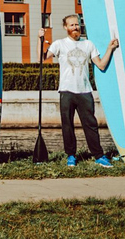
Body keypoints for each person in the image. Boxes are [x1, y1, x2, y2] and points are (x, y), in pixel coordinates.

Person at [39, 14, 118, 168]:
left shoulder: (88, 44)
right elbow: (41, 58)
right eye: (72, 25)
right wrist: (39, 39)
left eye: (77, 24)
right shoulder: (59, 44)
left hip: (85, 91)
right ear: (65, 27)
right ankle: (71, 156)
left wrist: (110, 48)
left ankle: (99, 156)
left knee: (91, 125)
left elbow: (101, 65)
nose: (75, 27)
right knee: (67, 125)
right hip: (66, 91)